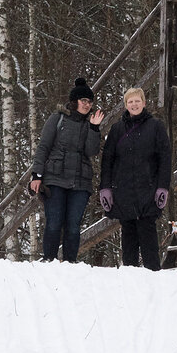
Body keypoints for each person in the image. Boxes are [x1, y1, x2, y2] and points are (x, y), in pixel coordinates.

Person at [30, 77, 103, 263]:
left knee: (73, 226)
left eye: (89, 101)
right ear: (74, 101)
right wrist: (36, 175)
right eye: (83, 100)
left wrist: (95, 129)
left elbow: (91, 151)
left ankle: (70, 264)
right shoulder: (57, 118)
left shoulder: (89, 124)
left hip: (81, 182)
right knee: (54, 223)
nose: (87, 105)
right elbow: (43, 147)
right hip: (54, 179)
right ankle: (49, 261)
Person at [99, 86, 173, 271]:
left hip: (148, 189)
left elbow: (165, 157)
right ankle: (129, 281)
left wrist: (163, 187)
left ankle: (154, 278)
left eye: (137, 101)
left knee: (148, 236)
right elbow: (107, 160)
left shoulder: (155, 126)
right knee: (128, 236)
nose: (134, 104)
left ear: (144, 103)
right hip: (123, 191)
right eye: (130, 102)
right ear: (125, 105)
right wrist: (105, 188)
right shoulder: (117, 129)